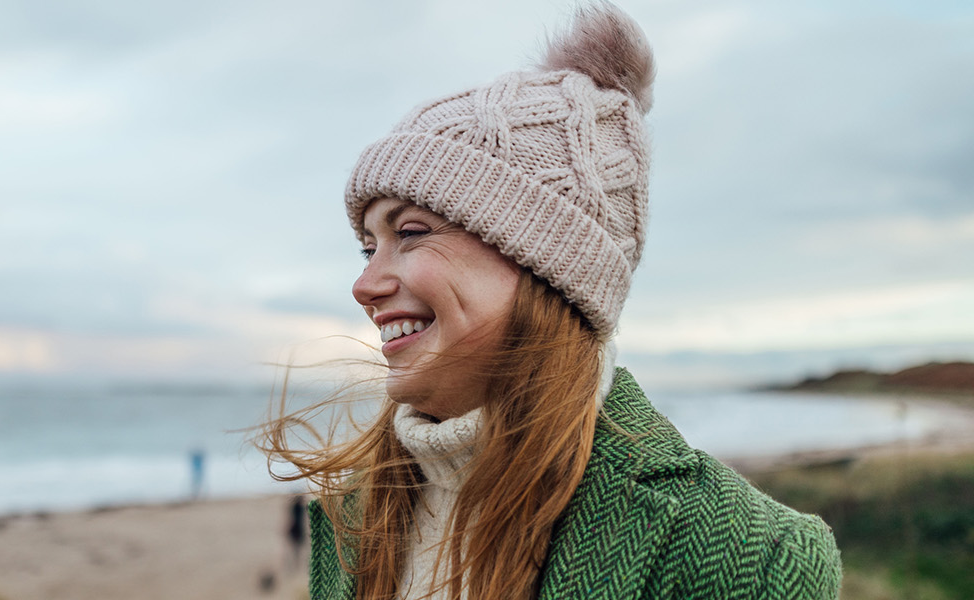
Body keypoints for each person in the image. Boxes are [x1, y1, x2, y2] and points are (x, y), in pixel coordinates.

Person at [259, 4, 842, 599]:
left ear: (553, 266)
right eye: (367, 248)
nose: (365, 286)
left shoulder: (748, 552)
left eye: (410, 233)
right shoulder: (351, 513)